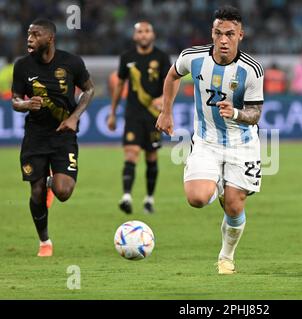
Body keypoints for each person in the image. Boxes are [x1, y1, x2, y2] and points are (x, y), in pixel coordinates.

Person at [156, 5, 264, 275]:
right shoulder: (193, 58)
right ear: (212, 33)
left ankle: (226, 257)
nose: (223, 40)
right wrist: (166, 112)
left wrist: (236, 112)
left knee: (234, 204)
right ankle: (216, 183)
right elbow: (172, 75)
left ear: (241, 35)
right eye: (218, 33)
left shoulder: (252, 70)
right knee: (197, 198)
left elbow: (255, 113)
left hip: (242, 143)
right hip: (207, 140)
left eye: (230, 34)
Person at [11, 19, 95, 257]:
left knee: (64, 192)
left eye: (35, 35)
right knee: (35, 191)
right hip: (35, 137)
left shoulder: (72, 62)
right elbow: (15, 100)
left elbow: (89, 89)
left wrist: (74, 117)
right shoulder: (22, 66)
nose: (29, 39)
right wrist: (26, 104)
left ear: (50, 39)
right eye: (28, 34)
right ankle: (44, 241)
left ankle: (51, 183)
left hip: (63, 136)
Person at [107, 21, 171, 214]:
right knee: (131, 153)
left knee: (151, 156)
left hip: (154, 116)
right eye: (140, 32)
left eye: (147, 31)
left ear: (152, 35)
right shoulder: (127, 57)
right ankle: (126, 196)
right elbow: (119, 86)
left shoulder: (161, 57)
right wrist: (112, 113)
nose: (143, 35)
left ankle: (149, 199)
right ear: (135, 36)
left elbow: (170, 82)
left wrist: (163, 100)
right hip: (133, 114)